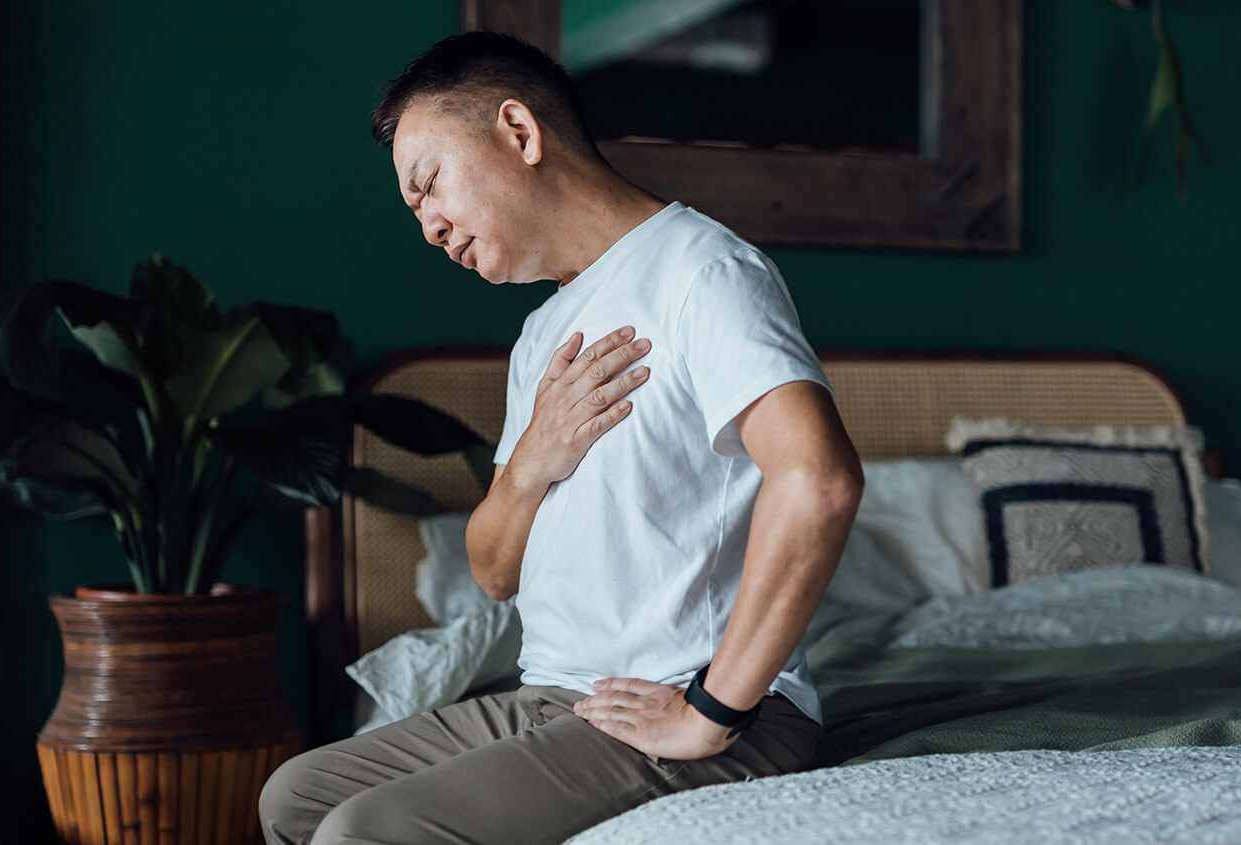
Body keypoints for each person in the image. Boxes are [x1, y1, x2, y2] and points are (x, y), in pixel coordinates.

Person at [259, 30, 863, 845]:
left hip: (692, 700)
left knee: (364, 831)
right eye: (417, 210)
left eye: (430, 184)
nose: (429, 228)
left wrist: (713, 709)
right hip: (557, 695)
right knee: (292, 797)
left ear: (518, 131)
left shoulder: (703, 270)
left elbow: (817, 481)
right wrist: (534, 459)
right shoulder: (544, 332)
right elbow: (492, 568)